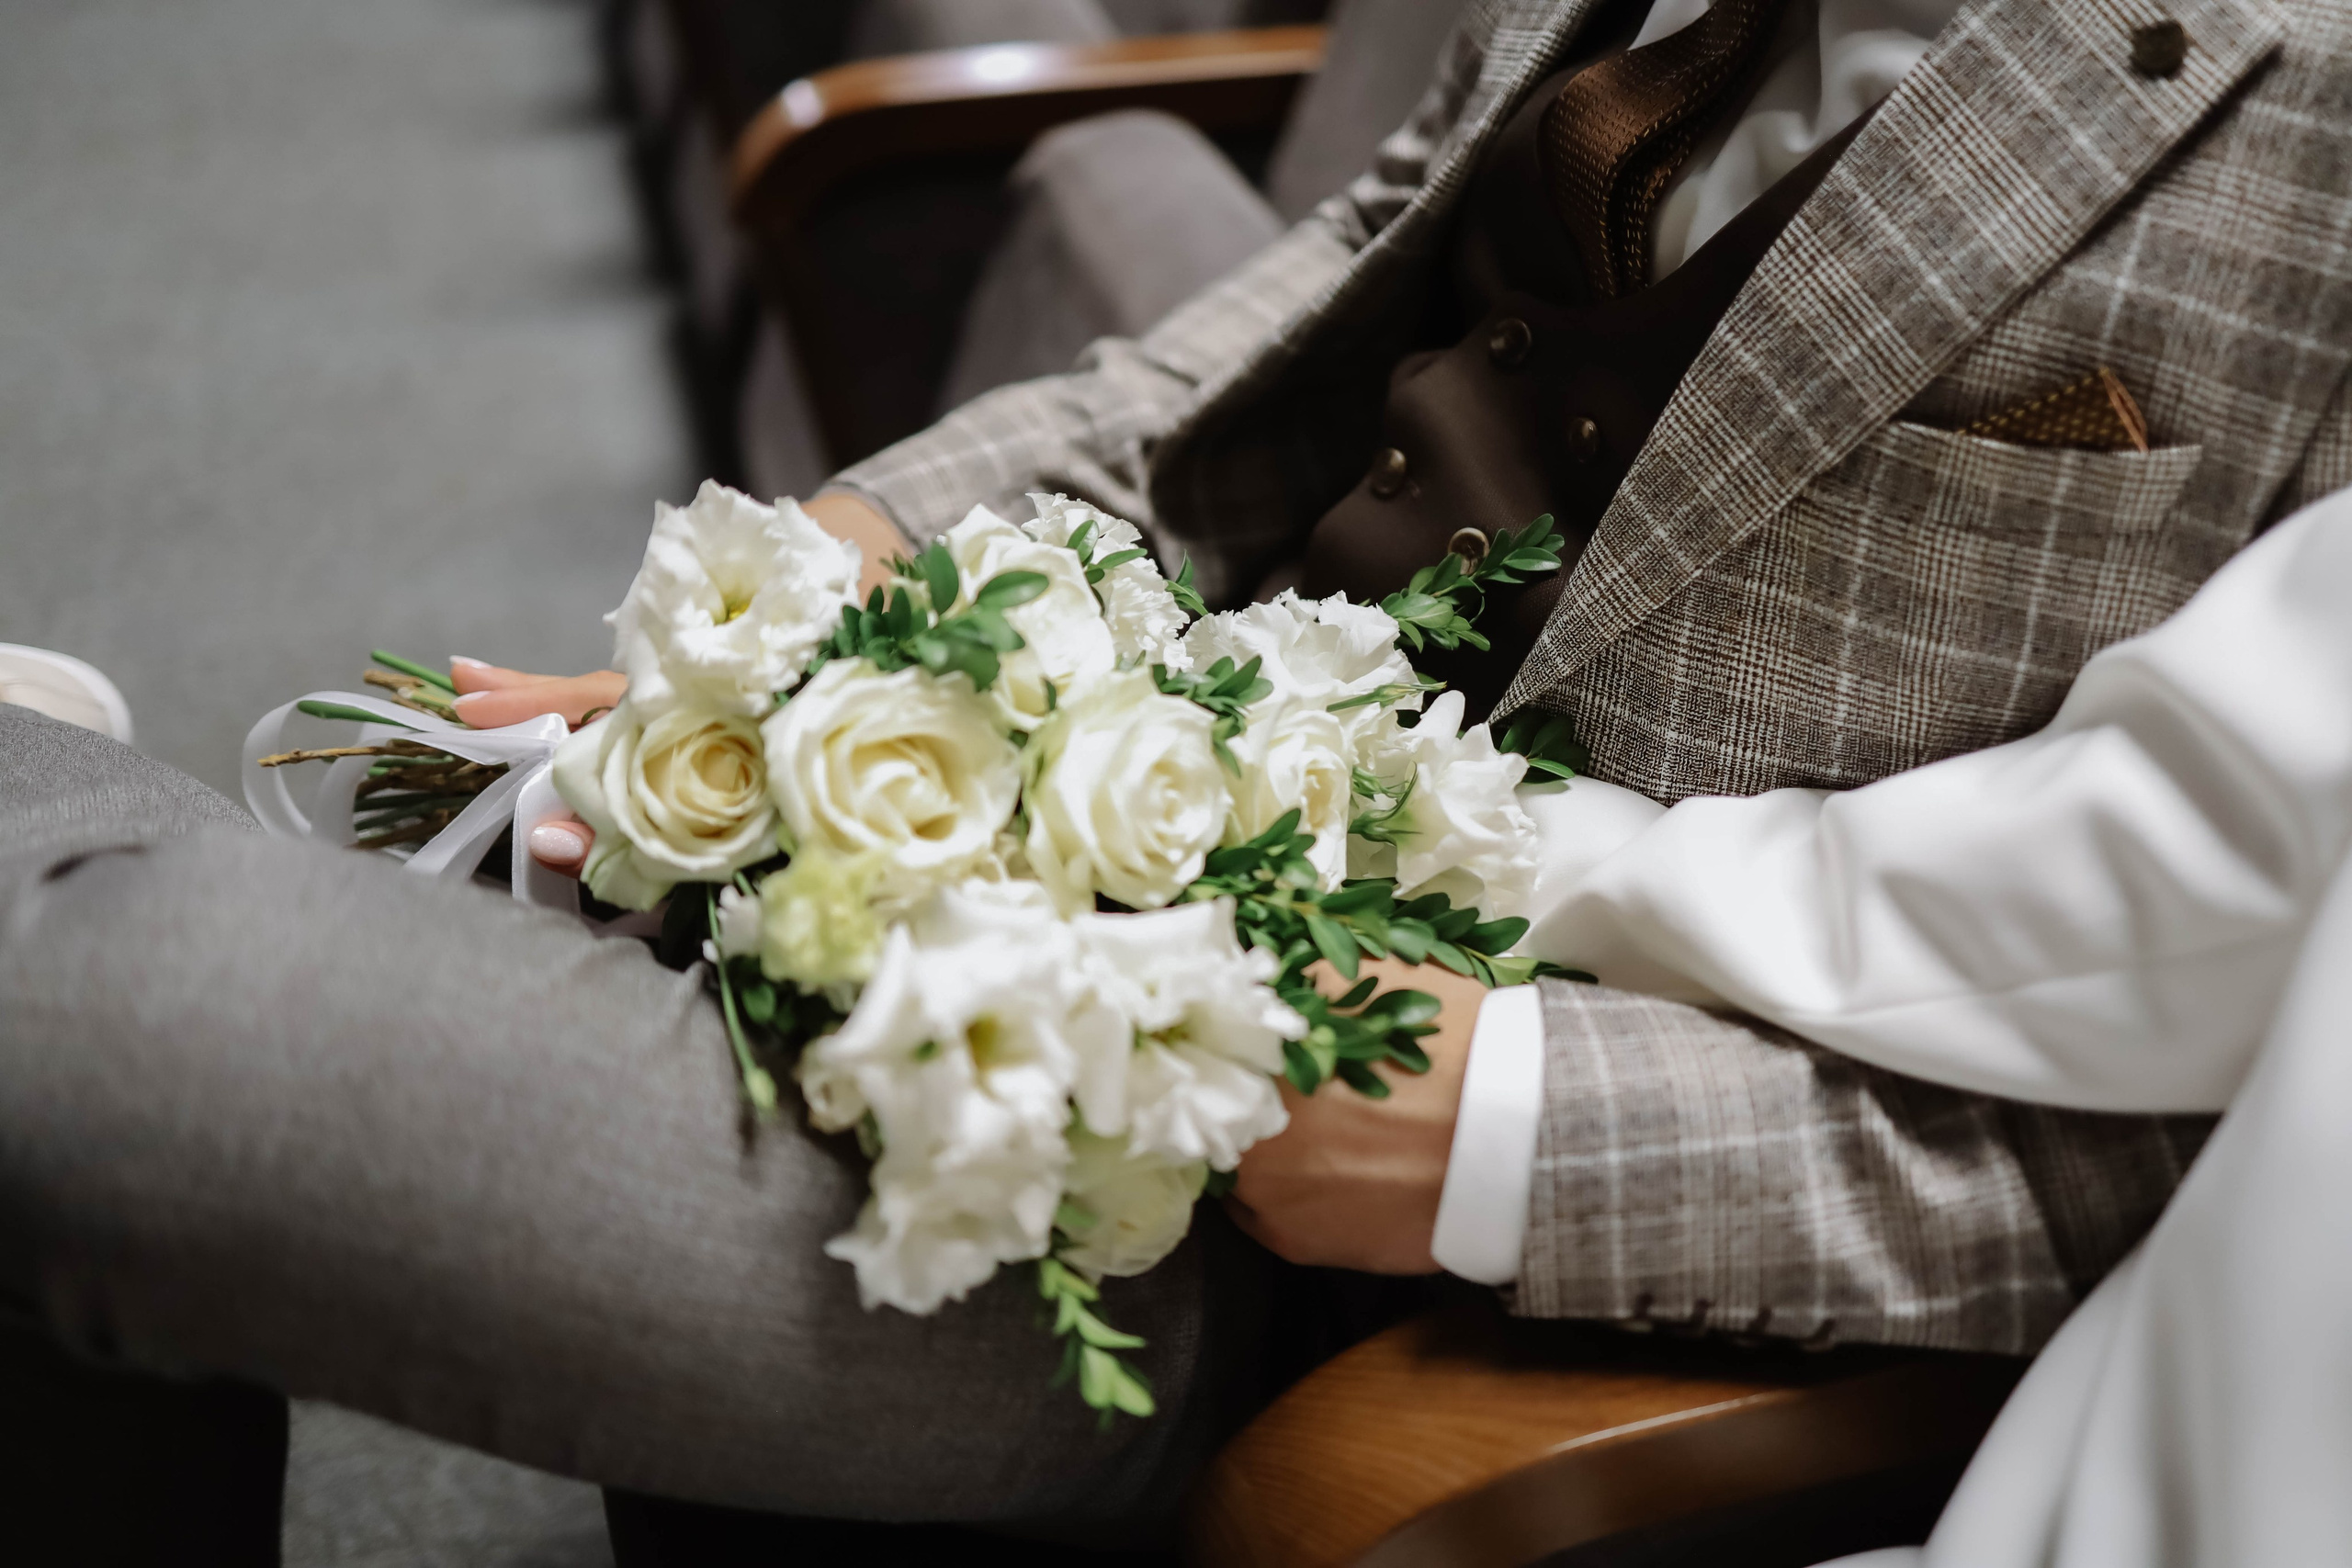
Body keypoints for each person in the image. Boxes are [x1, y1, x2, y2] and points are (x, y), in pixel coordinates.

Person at [5, 0, 2349, 1547]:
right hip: (1057, 786)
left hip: (1278, 1196)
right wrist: (867, 547)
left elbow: (2224, 1141)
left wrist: (1504, 1141)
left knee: (114, 1023)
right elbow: (1341, 285)